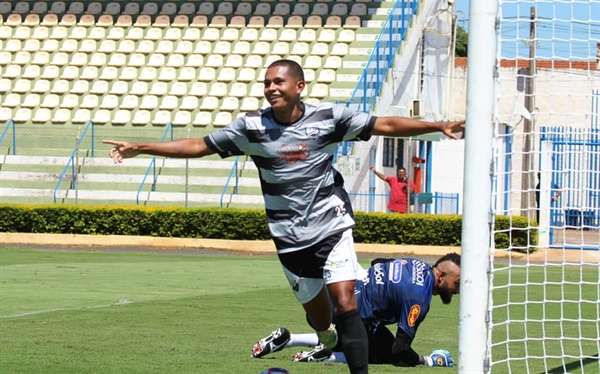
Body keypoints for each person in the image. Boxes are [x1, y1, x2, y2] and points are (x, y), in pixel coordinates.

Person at [103, 59, 464, 374]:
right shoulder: (250, 128)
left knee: (346, 300)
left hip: (330, 224)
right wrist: (142, 147)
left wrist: (435, 125)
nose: (270, 88)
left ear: (299, 86)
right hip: (289, 237)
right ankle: (326, 338)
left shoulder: (329, 117)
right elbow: (200, 146)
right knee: (322, 319)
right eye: (266, 83)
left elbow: (384, 124)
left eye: (278, 82)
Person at [251, 253, 460, 368]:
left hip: (338, 296)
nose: (457, 291)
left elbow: (378, 262)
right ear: (441, 277)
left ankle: (290, 339)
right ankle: (331, 356)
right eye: (457, 283)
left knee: (369, 329)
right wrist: (427, 361)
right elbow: (400, 349)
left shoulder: (417, 264)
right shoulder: (419, 299)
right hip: (348, 315)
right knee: (391, 354)